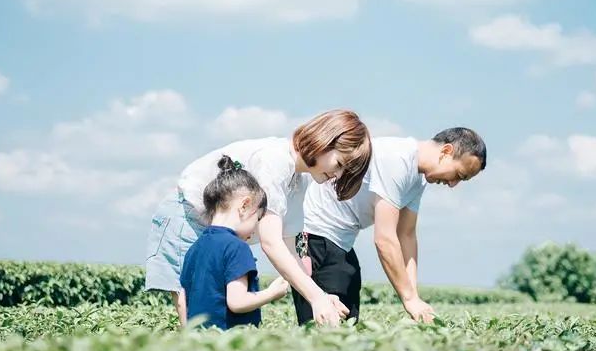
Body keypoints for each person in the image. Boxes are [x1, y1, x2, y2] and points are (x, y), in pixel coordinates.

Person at [146, 109, 371, 325]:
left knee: (218, 316)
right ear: (324, 141)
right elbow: (271, 242)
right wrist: (316, 298)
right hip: (188, 217)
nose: (338, 175)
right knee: (194, 310)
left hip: (220, 237)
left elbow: (291, 249)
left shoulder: (300, 181)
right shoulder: (275, 160)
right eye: (340, 165)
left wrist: (320, 294)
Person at [293, 127, 487, 324]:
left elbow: (406, 235)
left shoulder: (418, 178)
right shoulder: (397, 160)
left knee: (347, 325)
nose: (454, 184)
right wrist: (409, 299)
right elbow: (385, 239)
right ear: (446, 152)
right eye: (460, 175)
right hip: (313, 237)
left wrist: (413, 295)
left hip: (341, 244)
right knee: (325, 329)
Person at [178, 155, 289, 329]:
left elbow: (183, 301)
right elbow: (237, 302)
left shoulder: (195, 247)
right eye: (257, 219)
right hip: (228, 344)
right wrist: (272, 293)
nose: (256, 229)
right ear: (244, 205)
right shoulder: (237, 247)